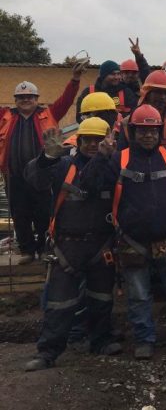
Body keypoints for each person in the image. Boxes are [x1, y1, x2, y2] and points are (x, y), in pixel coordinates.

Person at [82, 104, 166, 360]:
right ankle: (144, 340)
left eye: (153, 131)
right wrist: (100, 158)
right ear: (133, 131)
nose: (148, 136)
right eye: (143, 131)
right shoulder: (119, 158)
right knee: (138, 295)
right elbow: (89, 187)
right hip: (132, 241)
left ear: (159, 132)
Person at [22, 118, 121, 371]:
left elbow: (92, 181)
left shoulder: (111, 167)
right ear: (78, 142)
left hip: (101, 244)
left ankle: (100, 340)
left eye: (98, 140)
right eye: (87, 140)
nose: (92, 145)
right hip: (67, 246)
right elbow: (35, 181)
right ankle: (48, 352)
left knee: (101, 297)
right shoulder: (63, 165)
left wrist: (103, 157)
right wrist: (47, 158)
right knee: (59, 302)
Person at [0, 62, 85, 263]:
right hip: (14, 177)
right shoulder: (4, 116)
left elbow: (66, 100)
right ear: (15, 100)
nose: (25, 100)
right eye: (21, 97)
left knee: (43, 214)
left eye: (29, 97)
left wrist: (74, 80)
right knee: (20, 216)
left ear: (36, 99)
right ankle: (28, 251)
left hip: (43, 175)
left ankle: (45, 249)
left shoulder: (50, 113)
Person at [118, 70, 166, 150]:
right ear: (147, 94)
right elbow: (122, 156)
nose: (162, 97)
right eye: (158, 92)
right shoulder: (128, 122)